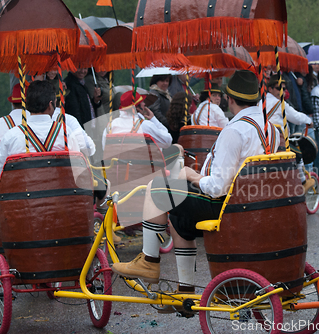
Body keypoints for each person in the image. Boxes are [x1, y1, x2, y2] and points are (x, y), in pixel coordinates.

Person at [111, 70, 280, 304]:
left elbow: (218, 187)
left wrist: (192, 176)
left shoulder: (235, 130)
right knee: (179, 222)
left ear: (230, 99)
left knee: (158, 187)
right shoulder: (271, 129)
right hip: (250, 203)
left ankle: (149, 261)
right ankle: (185, 291)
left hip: (225, 205)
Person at [103, 90, 172, 151]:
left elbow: (104, 148)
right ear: (137, 108)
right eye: (142, 102)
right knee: (177, 148)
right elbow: (167, 141)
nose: (144, 104)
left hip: (117, 165)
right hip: (144, 165)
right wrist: (153, 119)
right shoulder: (144, 125)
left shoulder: (110, 126)